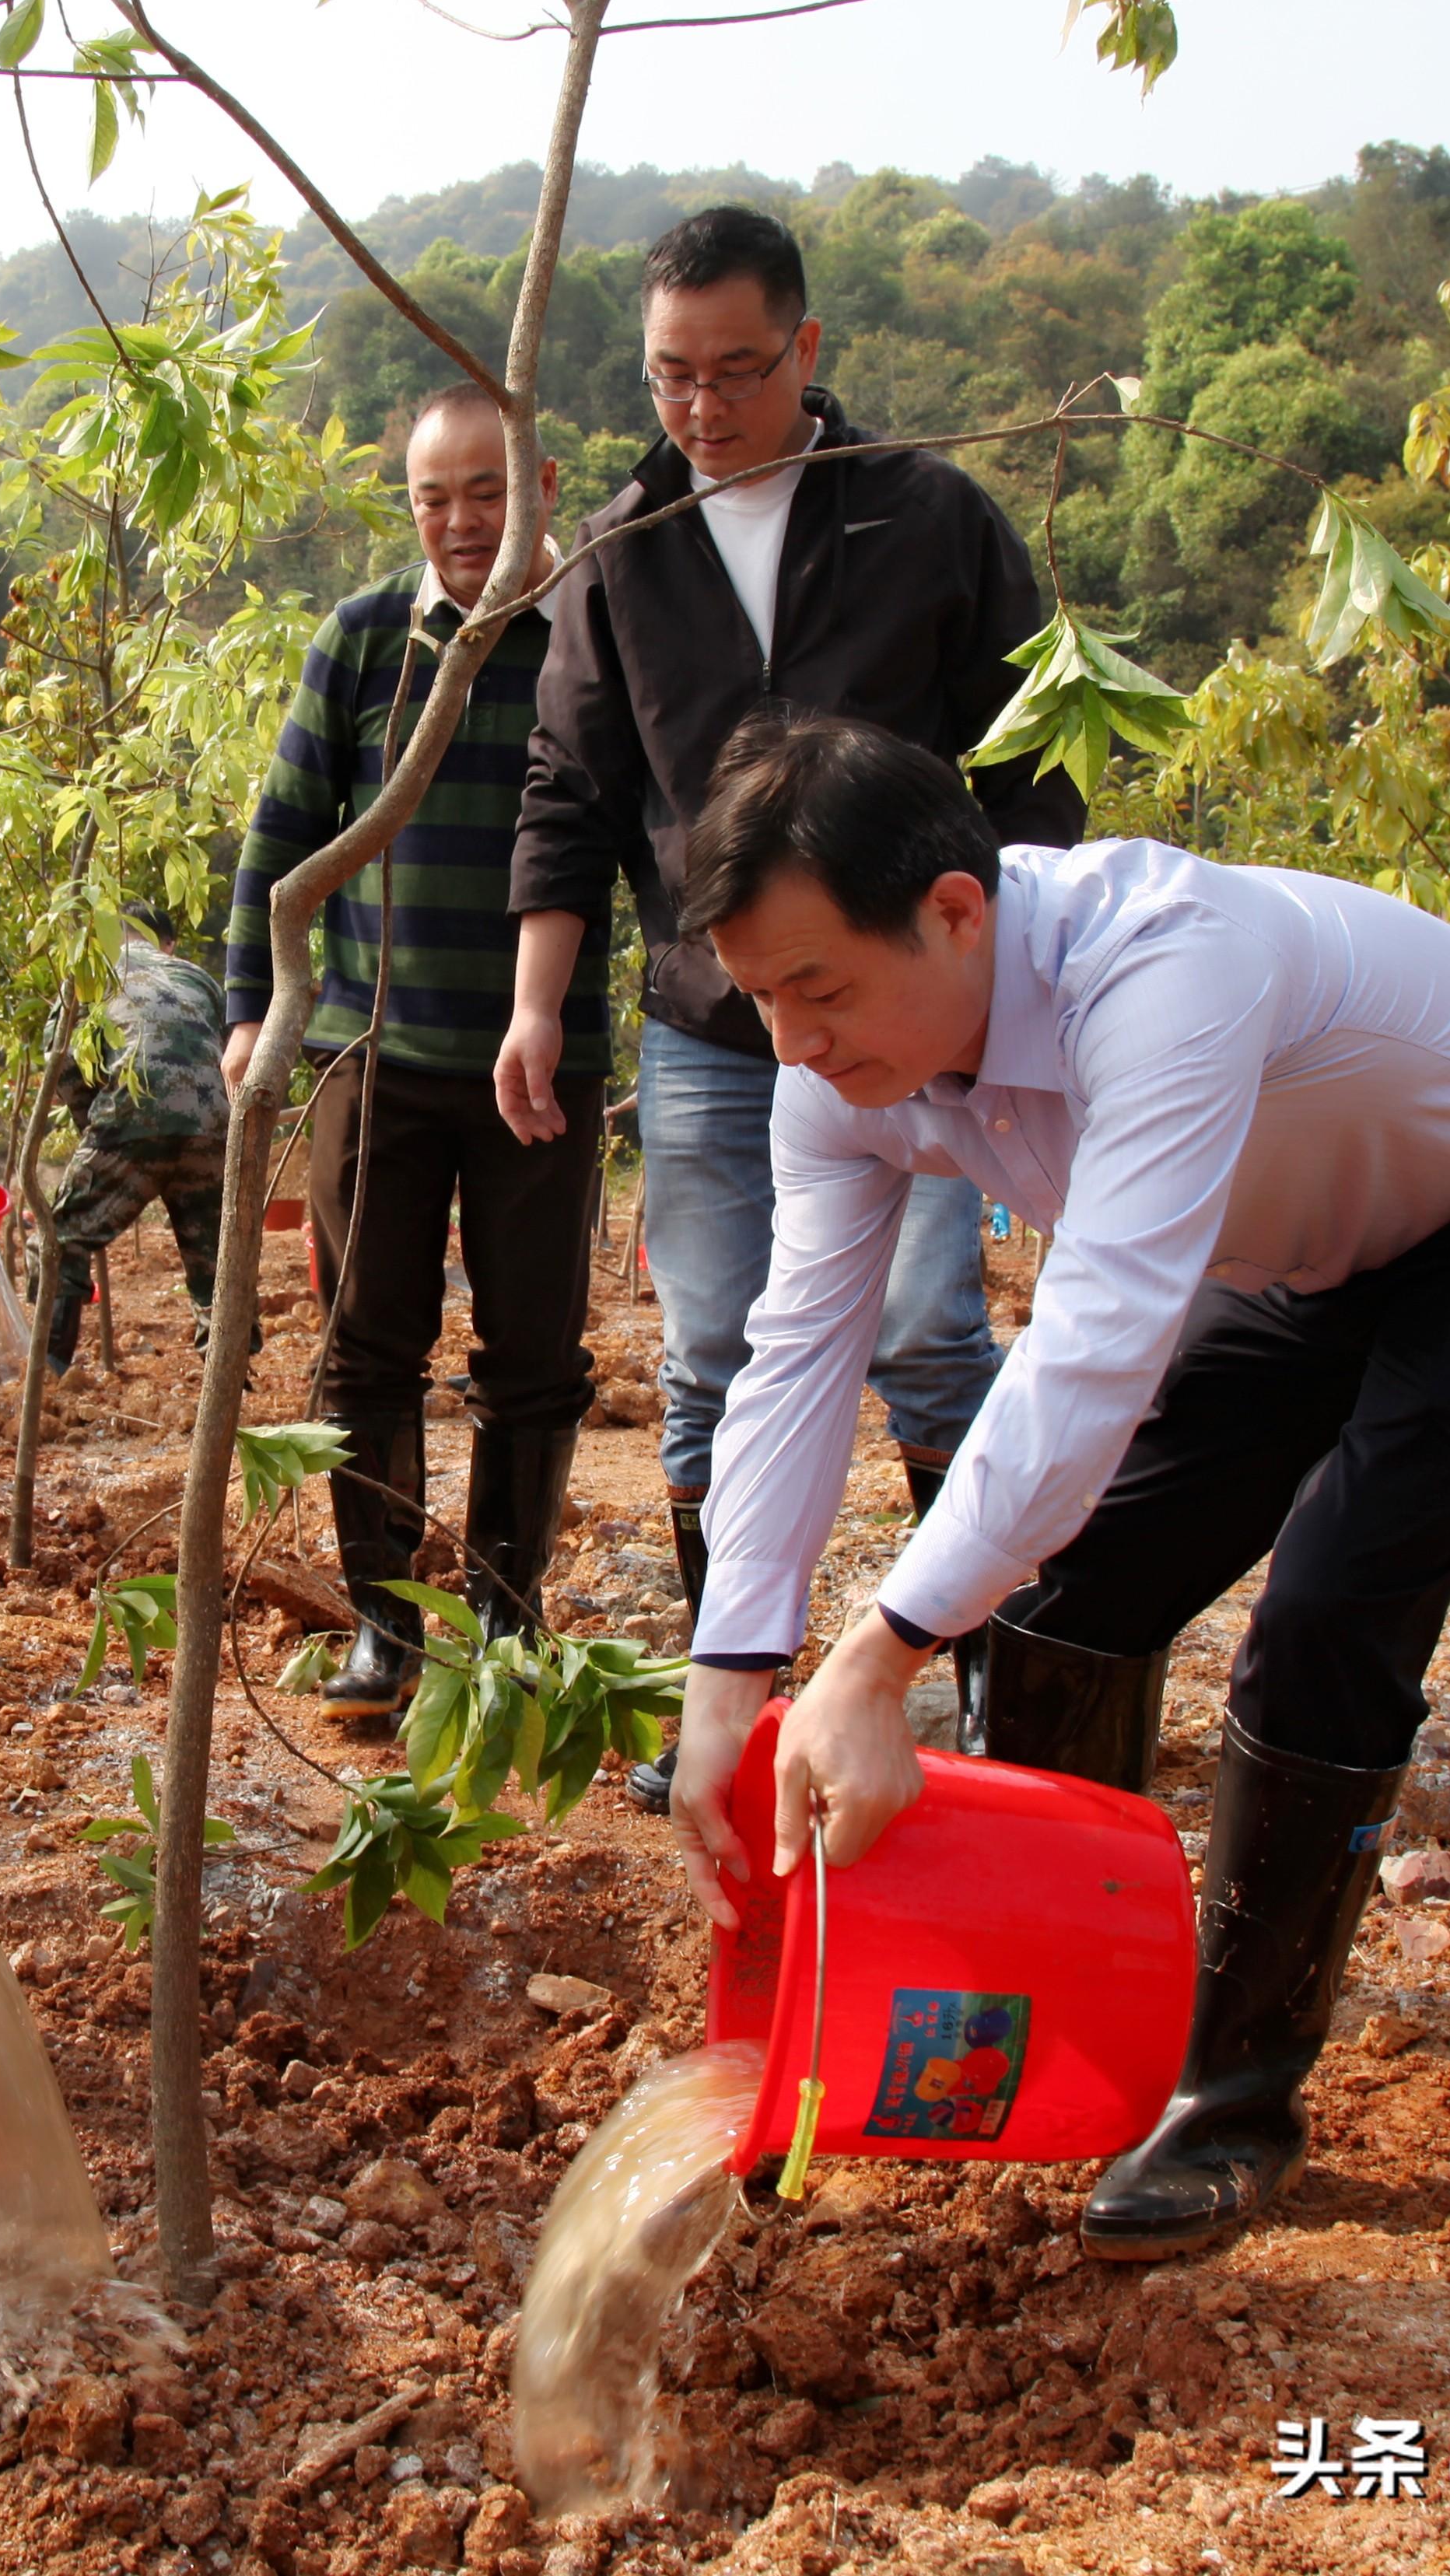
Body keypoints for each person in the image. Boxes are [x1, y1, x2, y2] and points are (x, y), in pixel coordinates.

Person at [664, 709, 1450, 2259]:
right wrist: (729, 1671)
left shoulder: (1160, 962)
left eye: (821, 989)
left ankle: (1235, 2096)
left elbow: (1092, 1343)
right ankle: (1048, 2008)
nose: (794, 1041)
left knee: (1331, 1603)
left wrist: (875, 1657)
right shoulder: (835, 1073)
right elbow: (795, 1353)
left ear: (954, 910)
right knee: (1072, 1588)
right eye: (761, 999)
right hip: (1300, 1255)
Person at [492, 205, 1077, 1809]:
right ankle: (733, 1712)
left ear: (806, 351)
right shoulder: (618, 550)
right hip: (705, 1018)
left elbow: (1034, 760)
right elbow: (569, 786)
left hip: (912, 1017)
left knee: (927, 1333)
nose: (701, 406)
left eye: (736, 369)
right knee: (710, 1352)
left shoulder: (922, 514)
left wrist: (1009, 1003)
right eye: (670, 375)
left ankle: (990, 1695)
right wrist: (542, 1003)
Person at [227, 384, 610, 1703]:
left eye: (486, 491)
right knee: (364, 1342)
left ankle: (506, 1627)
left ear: (544, 482)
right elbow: (281, 836)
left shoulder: (594, 634)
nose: (459, 521)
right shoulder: (367, 638)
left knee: (534, 1356)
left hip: (545, 1066)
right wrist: (248, 1008)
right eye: (432, 497)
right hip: (369, 1054)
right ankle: (387, 1621)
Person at [46, 909, 231, 1375]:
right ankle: (229, 1379)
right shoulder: (200, 977)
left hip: (134, 1110)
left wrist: (94, 1123)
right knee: (218, 1256)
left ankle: (49, 1369)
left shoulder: (89, 975)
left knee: (61, 1236)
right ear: (166, 944)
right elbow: (224, 1051)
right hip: (215, 1121)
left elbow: (61, 1061)